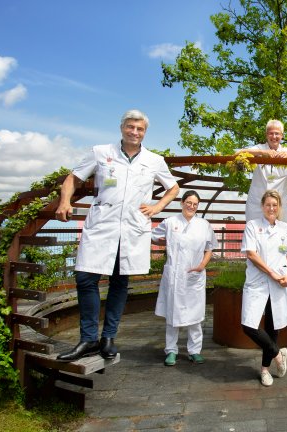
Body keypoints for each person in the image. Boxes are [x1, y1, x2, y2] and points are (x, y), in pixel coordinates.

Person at [55, 109, 180, 361]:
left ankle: (108, 338)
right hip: (102, 225)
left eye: (140, 129)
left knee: (119, 282)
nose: (135, 132)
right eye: (131, 127)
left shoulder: (154, 160)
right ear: (122, 127)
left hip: (133, 228)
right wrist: (64, 201)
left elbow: (174, 188)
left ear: (145, 132)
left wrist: (156, 208)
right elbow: (73, 178)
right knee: (86, 278)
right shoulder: (101, 153)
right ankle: (88, 339)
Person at [240, 190, 287, 386]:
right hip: (258, 282)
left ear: (279, 207)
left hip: (281, 282)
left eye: (275, 205)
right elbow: (251, 254)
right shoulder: (252, 226)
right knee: (248, 325)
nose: (271, 208)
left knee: (273, 327)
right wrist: (272, 273)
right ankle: (278, 354)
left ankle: (265, 370)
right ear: (262, 206)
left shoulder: (286, 229)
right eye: (268, 205)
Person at [151, 191, 215, 366]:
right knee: (173, 315)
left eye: (195, 204)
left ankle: (195, 351)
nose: (191, 206)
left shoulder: (204, 225)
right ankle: (171, 351)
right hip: (175, 276)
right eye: (189, 202)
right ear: (182, 202)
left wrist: (202, 265)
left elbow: (210, 247)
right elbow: (154, 236)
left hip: (195, 275)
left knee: (195, 317)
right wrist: (168, 243)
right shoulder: (170, 222)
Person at [237, 119, 287, 223]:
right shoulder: (259, 148)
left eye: (277, 134)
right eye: (271, 133)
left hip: (278, 204)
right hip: (257, 203)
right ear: (266, 135)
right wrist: (261, 152)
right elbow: (238, 152)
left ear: (282, 135)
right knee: (254, 232)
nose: (274, 137)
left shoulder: (286, 151)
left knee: (279, 235)